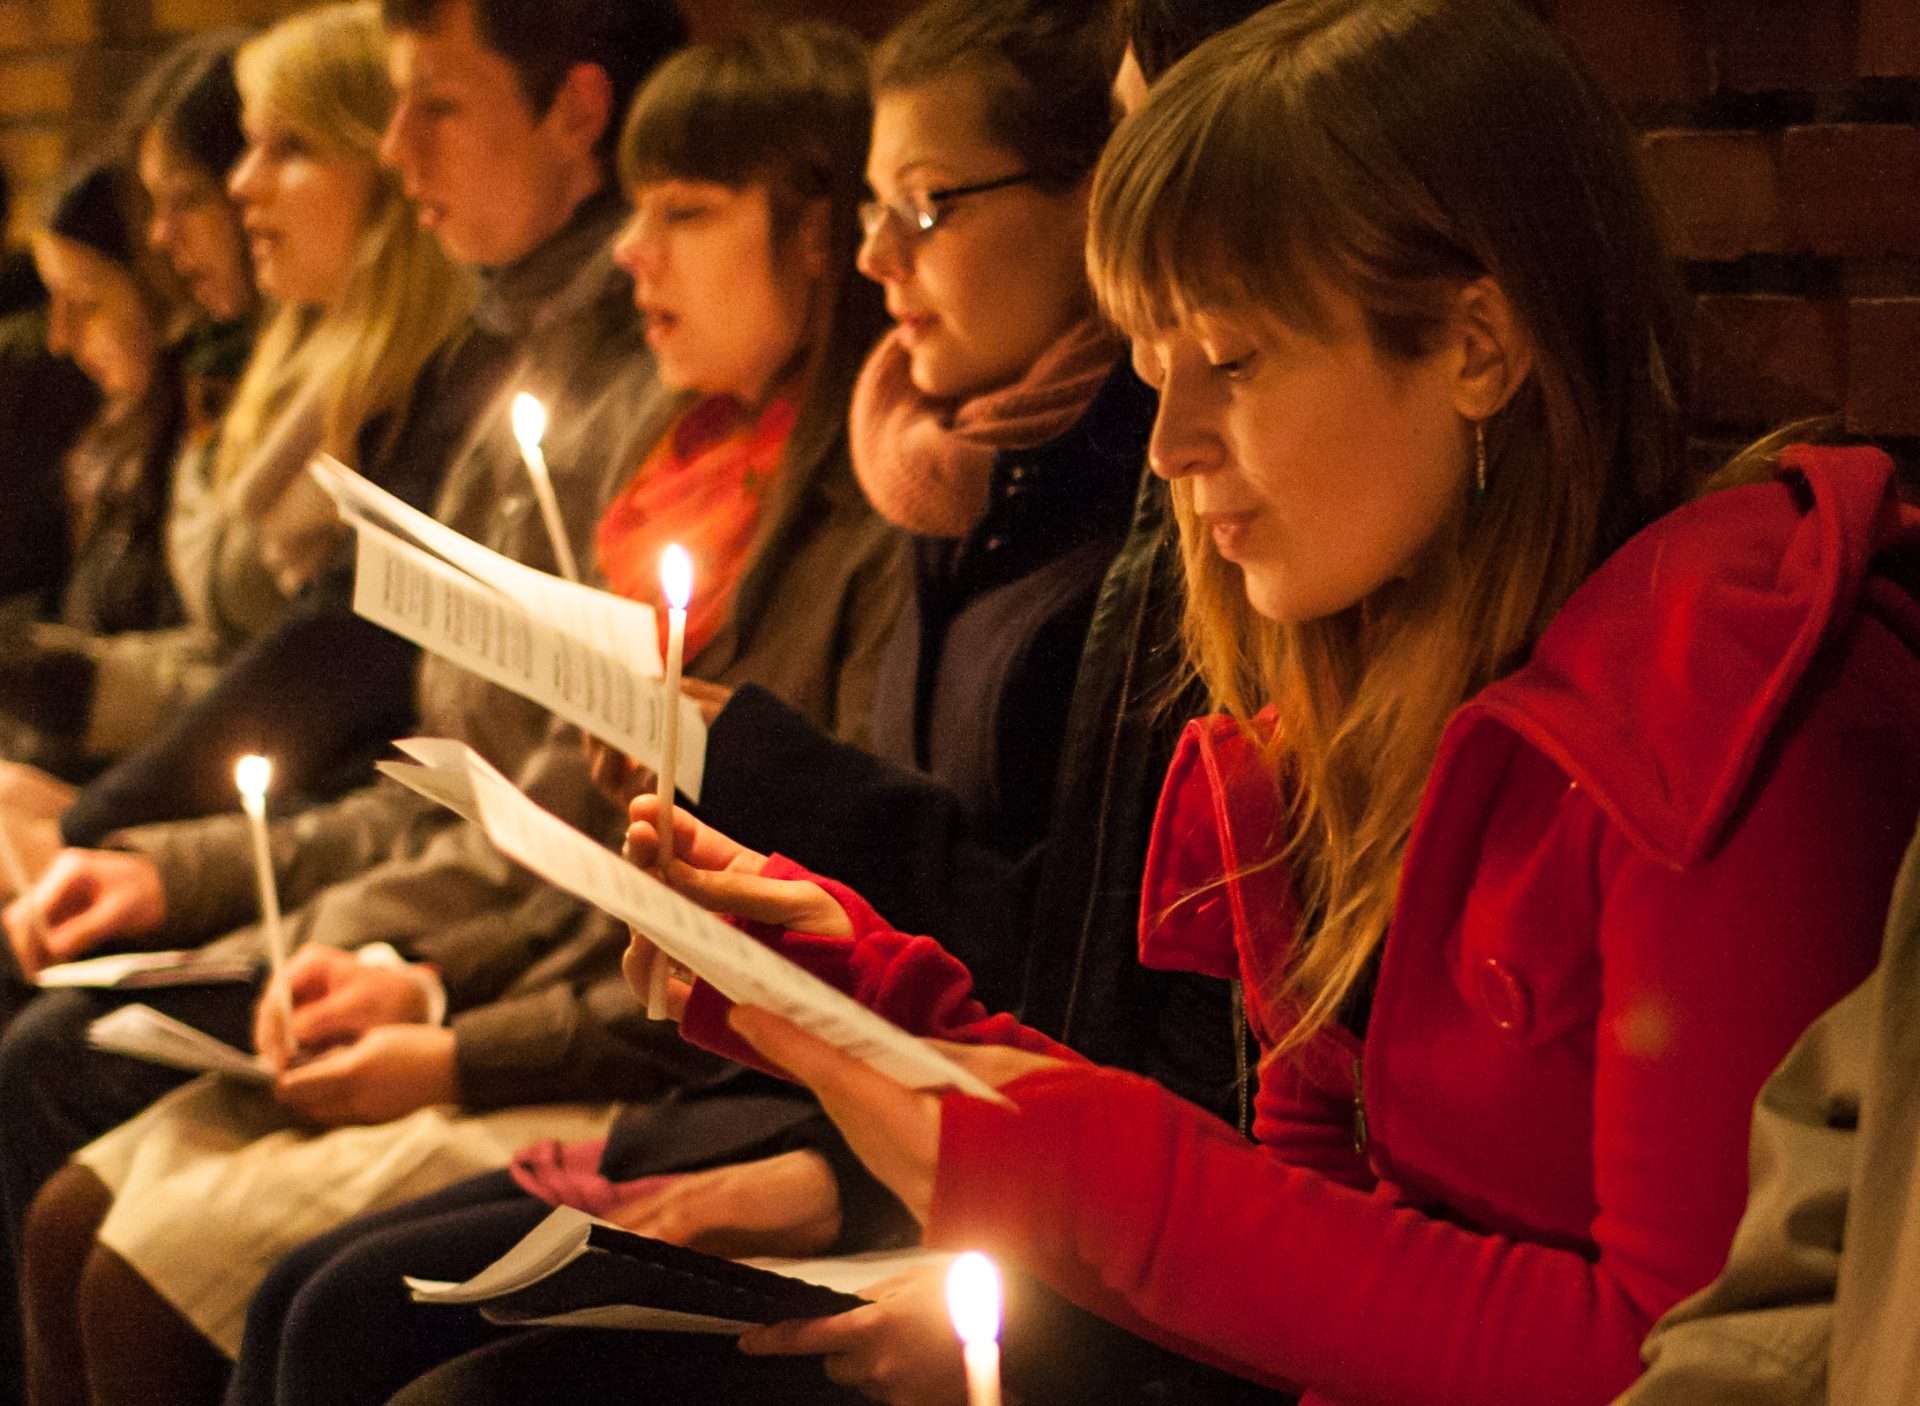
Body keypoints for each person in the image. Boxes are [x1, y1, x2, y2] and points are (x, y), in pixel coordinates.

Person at [602, 1, 1920, 1403]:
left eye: (1229, 361)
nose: (1170, 445)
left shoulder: (1735, 699)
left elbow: (1684, 1355)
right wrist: (859, 995)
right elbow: (1315, 1263)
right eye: (1150, 366)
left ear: (1476, 346)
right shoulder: (1353, 693)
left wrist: (1083, 1184)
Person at [18, 11, 903, 1406]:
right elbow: (495, 794)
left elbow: (673, 893)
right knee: (92, 1205)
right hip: (536, 985)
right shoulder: (663, 454)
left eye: (683, 213)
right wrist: (211, 886)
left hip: (653, 1057)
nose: (635, 253)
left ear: (813, 235)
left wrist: (432, 1013)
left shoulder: (825, 507)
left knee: (241, 1280)